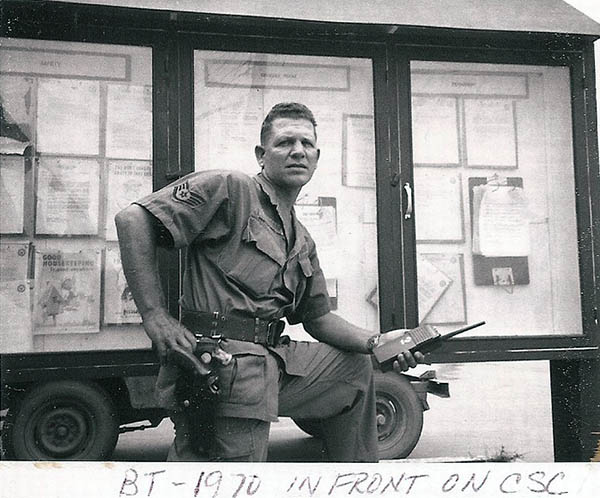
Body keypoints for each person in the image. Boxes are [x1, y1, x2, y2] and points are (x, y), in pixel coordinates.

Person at [115, 102, 424, 462]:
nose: (298, 151)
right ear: (262, 154)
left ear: (317, 157)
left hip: (271, 360)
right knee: (231, 480)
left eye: (307, 144)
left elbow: (318, 319)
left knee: (355, 370)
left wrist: (377, 342)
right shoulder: (230, 189)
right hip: (222, 365)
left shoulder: (302, 238)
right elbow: (132, 220)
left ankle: (352, 481)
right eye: (285, 143)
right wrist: (155, 317)